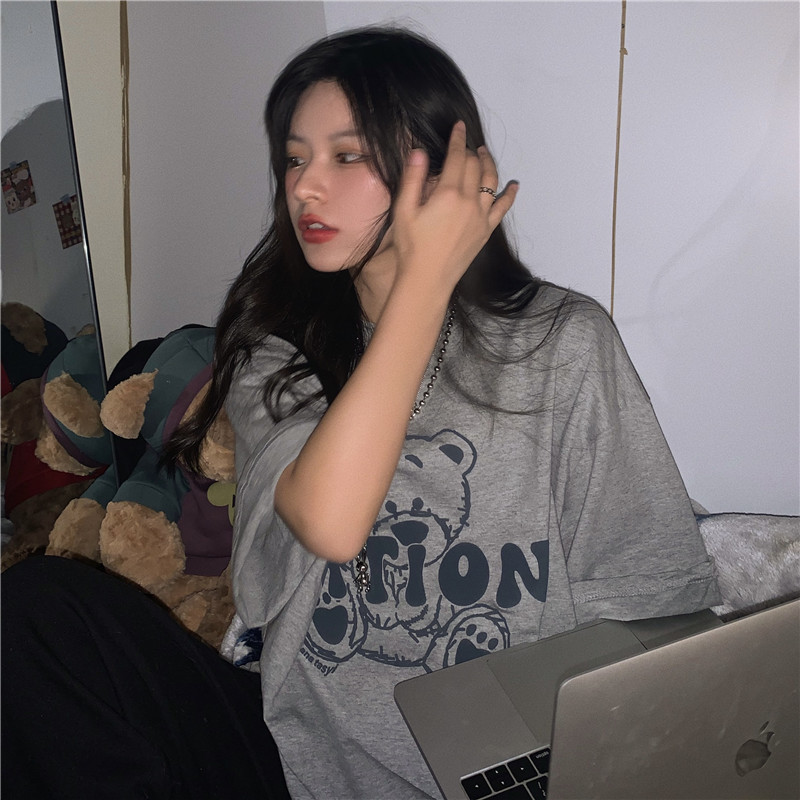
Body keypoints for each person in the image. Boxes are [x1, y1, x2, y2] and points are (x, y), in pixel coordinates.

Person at [2, 25, 720, 800]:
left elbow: (654, 602)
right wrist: (426, 282)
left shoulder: (563, 343)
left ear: (446, 174)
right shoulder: (277, 355)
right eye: (295, 159)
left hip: (509, 769)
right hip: (308, 769)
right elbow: (330, 522)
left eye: (346, 157)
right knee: (37, 617)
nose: (305, 188)